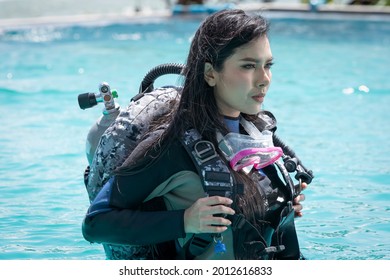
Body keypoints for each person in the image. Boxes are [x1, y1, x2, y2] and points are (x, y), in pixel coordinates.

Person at [82, 9, 308, 260]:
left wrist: (279, 206)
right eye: (248, 66)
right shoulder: (171, 147)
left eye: (267, 65)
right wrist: (185, 220)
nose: (264, 79)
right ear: (210, 73)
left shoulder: (257, 135)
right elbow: (95, 224)